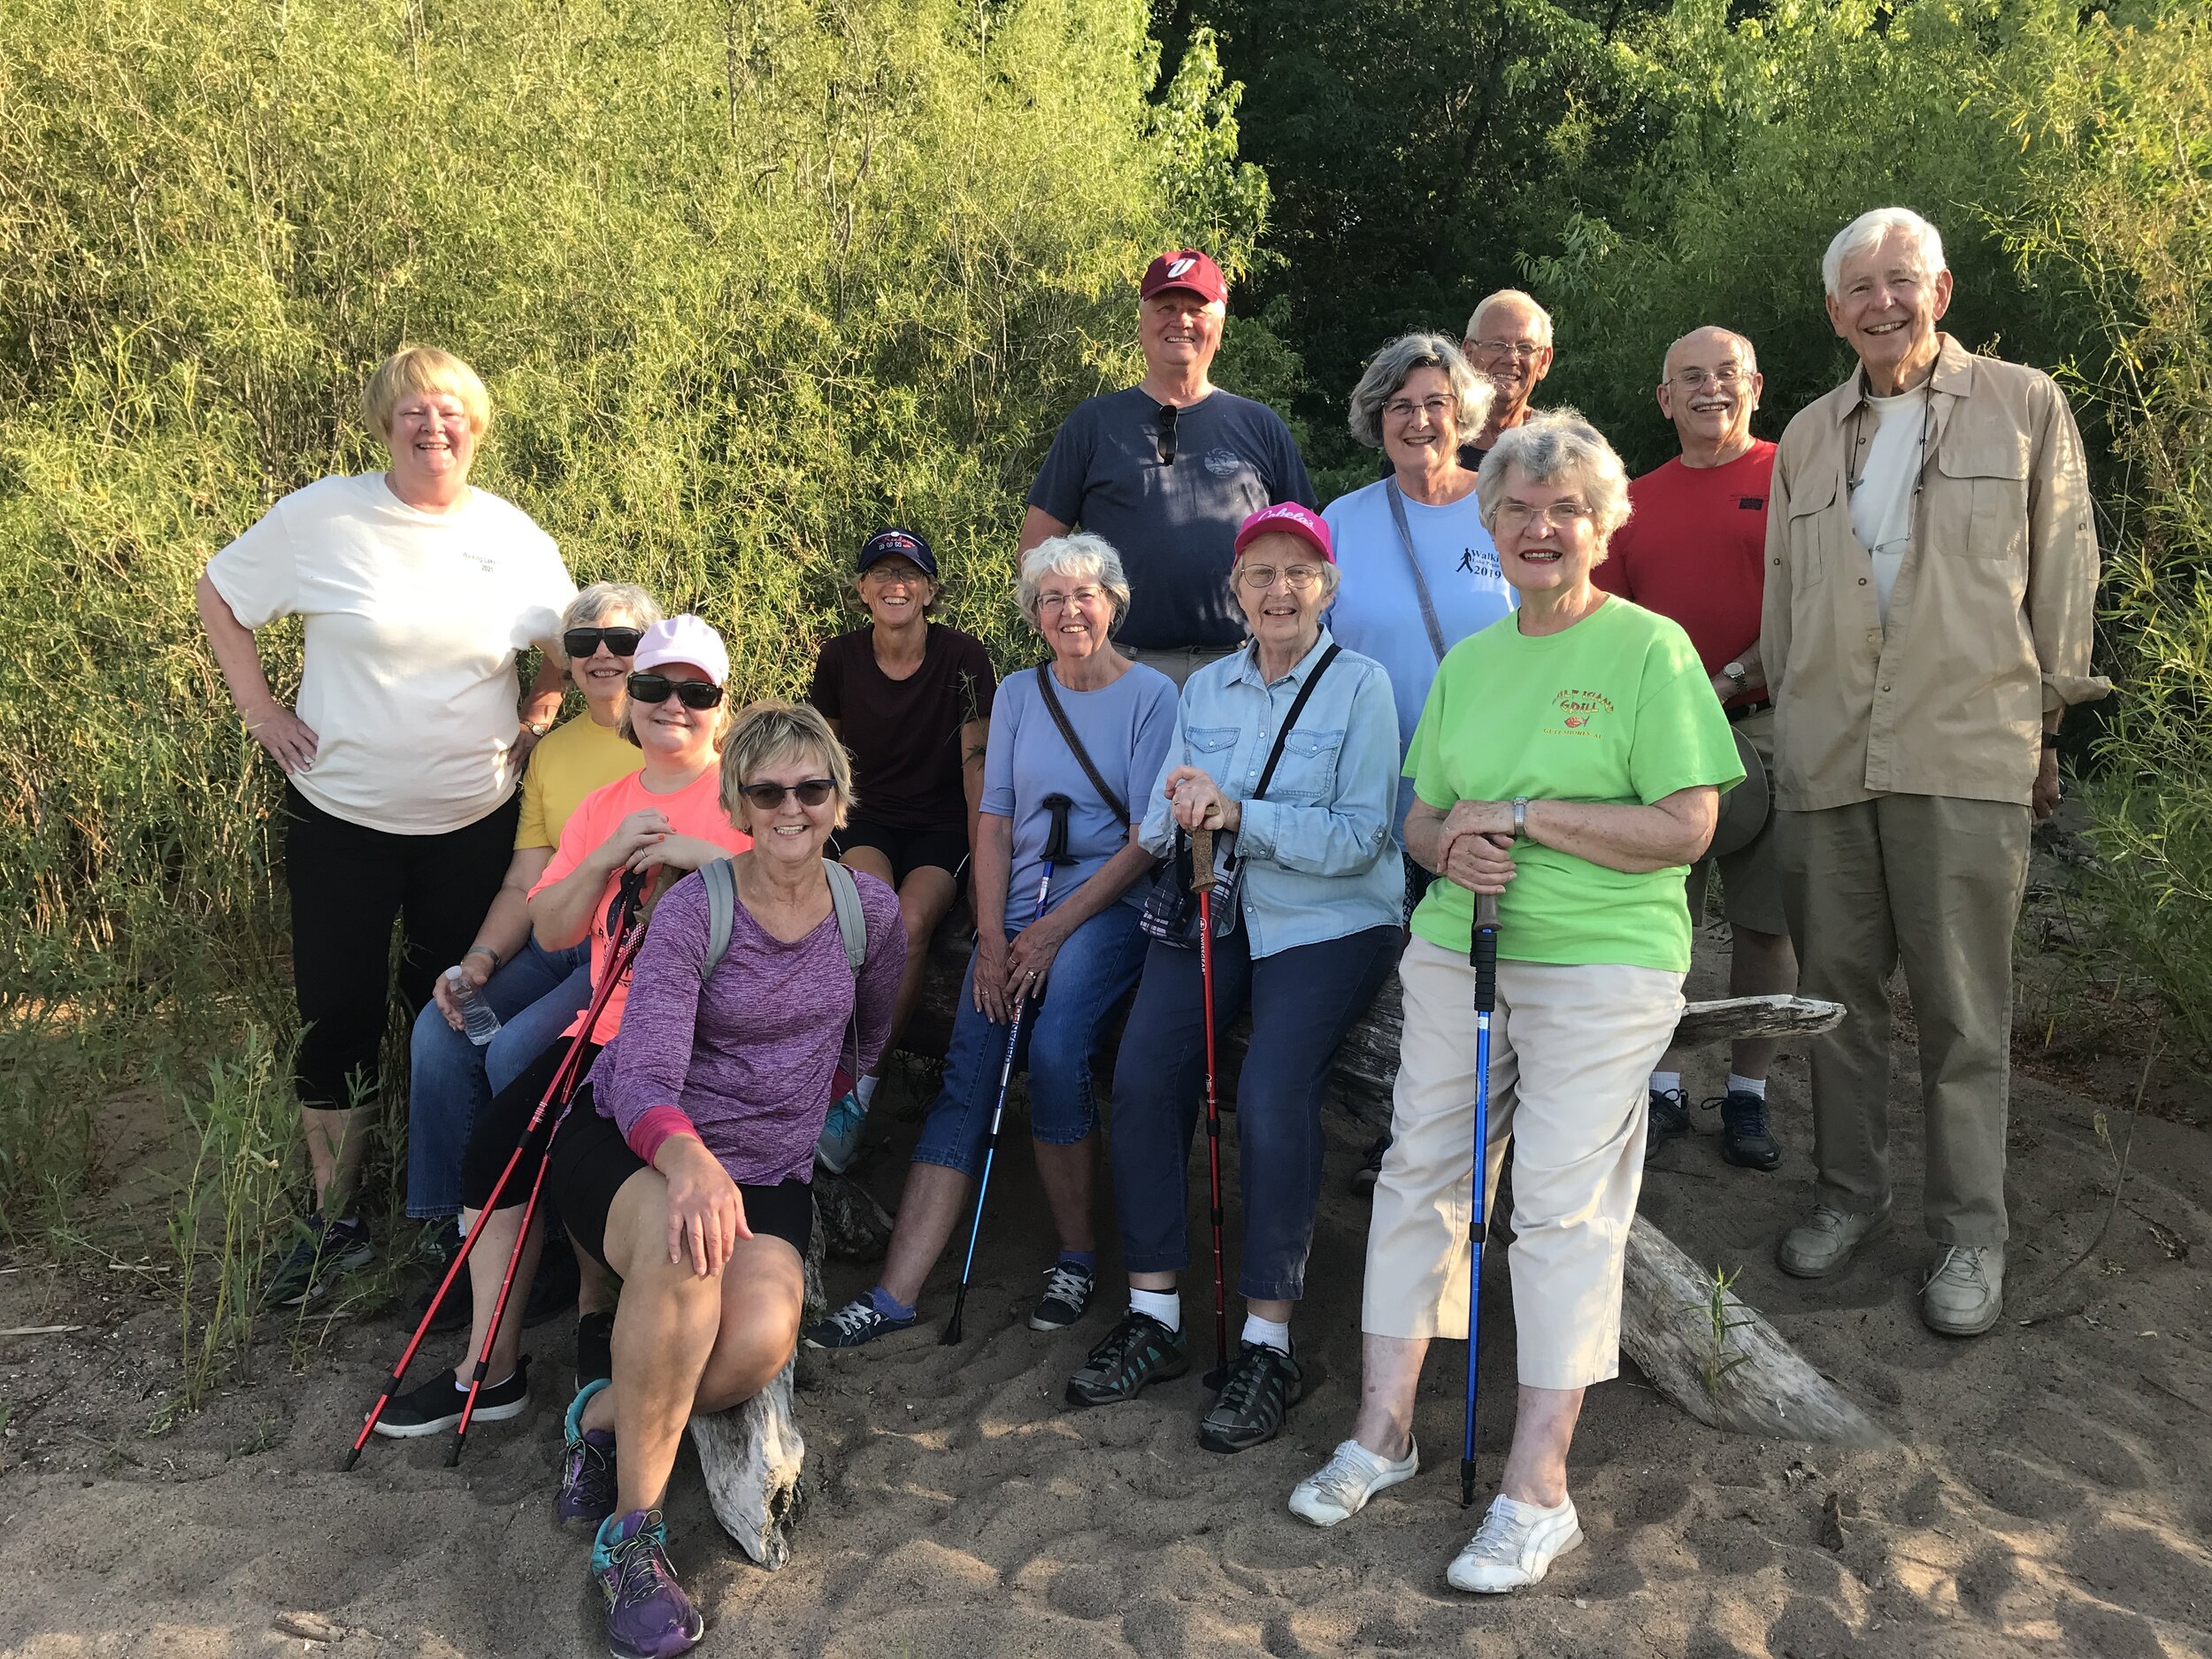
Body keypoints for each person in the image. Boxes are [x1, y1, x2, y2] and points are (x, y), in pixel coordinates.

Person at [1287, 412, 1741, 1594]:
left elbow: (1688, 825)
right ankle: (1383, 1433)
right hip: (1458, 949)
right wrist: (1454, 846)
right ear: (1490, 528)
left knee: (1557, 1203)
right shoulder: (1476, 661)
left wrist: (1529, 819)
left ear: (1603, 526)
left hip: (1603, 959)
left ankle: (1537, 1488)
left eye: (1565, 510)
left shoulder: (1651, 650)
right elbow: (1421, 814)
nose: (1541, 528)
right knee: (1418, 1173)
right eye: (1519, 510)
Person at [1763, 207, 2108, 1336]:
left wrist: (2048, 733)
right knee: (1838, 1005)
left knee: (1965, 1014)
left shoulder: (2023, 406)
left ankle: (1970, 1236)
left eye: (1898, 281)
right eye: (1857, 288)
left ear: (1940, 290)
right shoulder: (1808, 436)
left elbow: (2063, 572)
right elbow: (1783, 605)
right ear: (1832, 313)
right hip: (1827, 754)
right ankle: (1846, 1197)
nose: (1880, 303)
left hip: (1966, 749)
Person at [196, 345, 574, 1305]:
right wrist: (262, 713)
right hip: (342, 818)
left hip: (475, 824)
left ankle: (463, 1214)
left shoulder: (513, 536)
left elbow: (569, 644)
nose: (432, 425)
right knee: (340, 1015)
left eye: (451, 409)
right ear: (383, 423)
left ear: (477, 427)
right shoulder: (321, 516)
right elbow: (220, 595)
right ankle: (335, 1223)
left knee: (460, 1012)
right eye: (413, 409)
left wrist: (538, 715)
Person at [544, 699, 902, 1659]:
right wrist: (694, 1160)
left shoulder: (869, 913)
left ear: (838, 799)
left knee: (750, 1348)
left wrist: (792, 1111)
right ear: (738, 802)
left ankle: (598, 1416)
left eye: (811, 788)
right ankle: (634, 1537)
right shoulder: (694, 910)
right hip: (635, 1140)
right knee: (687, 1256)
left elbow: (866, 1034)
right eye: (768, 790)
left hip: (767, 1167)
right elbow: (648, 1077)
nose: (791, 806)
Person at [1067, 503, 1401, 1452]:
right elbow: (1150, 829)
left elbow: (1363, 837)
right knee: (1142, 1078)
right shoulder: (1204, 688)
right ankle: (1155, 1316)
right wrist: (1179, 810)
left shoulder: (1361, 687)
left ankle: (1266, 1341)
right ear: (1235, 589)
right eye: (1260, 572)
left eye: (1298, 572)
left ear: (1326, 589)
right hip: (1216, 911)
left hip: (1331, 920)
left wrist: (1239, 814)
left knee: (1269, 1092)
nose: (1278, 589)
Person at [371, 618, 755, 1436]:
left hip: (704, 1042)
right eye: (654, 688)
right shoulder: (604, 806)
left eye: (696, 692)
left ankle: (591, 1316)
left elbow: (779, 914)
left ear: (721, 708)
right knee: (496, 1145)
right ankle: (491, 1367)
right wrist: (608, 852)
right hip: (606, 1030)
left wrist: (702, 860)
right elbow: (551, 929)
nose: (672, 706)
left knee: (583, 1159)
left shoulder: (746, 797)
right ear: (630, 701)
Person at [805, 534, 1177, 1348]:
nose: (1069, 610)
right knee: (972, 1065)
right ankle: (896, 1292)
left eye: (1084, 594)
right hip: (1021, 899)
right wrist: (993, 932)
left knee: (1054, 1048)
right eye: (1051, 598)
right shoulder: (1016, 692)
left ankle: (1076, 1253)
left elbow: (1150, 837)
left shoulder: (1154, 696)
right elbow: (995, 818)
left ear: (1113, 601)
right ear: (1033, 613)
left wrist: (1047, 931)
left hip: (1107, 901)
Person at [403, 580, 664, 1332]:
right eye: (583, 644)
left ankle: (545, 1237)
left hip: (615, 950)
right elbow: (528, 876)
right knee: (442, 1028)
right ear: (568, 662)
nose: (603, 657)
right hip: (552, 934)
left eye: (621, 642)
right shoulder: (554, 753)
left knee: (516, 1049)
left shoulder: (674, 732)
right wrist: (480, 959)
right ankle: (456, 1238)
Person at [1593, 326, 1797, 1171]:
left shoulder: (1796, 478)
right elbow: (1604, 623)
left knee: (1766, 922)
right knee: (1666, 914)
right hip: (1662, 735)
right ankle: (1663, 1084)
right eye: (1689, 378)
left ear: (1754, 384)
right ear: (1664, 399)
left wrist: (1736, 672)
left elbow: (1824, 604)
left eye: (1725, 374)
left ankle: (1747, 1091)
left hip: (1770, 721)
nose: (1710, 389)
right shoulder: (1633, 502)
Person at [1325, 332, 1517, 1194]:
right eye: (1399, 403)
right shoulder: (1341, 522)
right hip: (1375, 795)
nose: (1418, 418)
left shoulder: (1509, 509)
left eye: (1435, 401)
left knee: (1485, 973)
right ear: (1376, 415)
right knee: (1406, 975)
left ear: (1463, 411)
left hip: (1486, 797)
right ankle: (1404, 1133)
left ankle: (1483, 1141)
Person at [1022, 249, 1316, 687]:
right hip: (1120, 667)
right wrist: (1076, 646)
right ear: (1142, 324)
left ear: (1219, 326)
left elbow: (1310, 551)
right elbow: (1037, 549)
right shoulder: (1094, 423)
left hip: (1243, 668)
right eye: (1165, 308)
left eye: (1196, 310)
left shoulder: (1260, 426)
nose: (1180, 321)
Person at [810, 527, 995, 1171]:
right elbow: (822, 764)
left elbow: (978, 768)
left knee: (912, 920)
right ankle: (812, 1072)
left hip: (942, 823)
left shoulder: (965, 658)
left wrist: (982, 871)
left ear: (930, 590)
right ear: (862, 590)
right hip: (865, 818)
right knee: (872, 910)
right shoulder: (839, 659)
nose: (897, 584)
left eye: (910, 574)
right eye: (882, 573)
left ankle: (859, 1089)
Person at [1459, 289, 1555, 464]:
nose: (1511, 359)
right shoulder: (1434, 444)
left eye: (1525, 347)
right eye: (1497, 345)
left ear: (1544, 361)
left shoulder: (1560, 447)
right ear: (1467, 354)